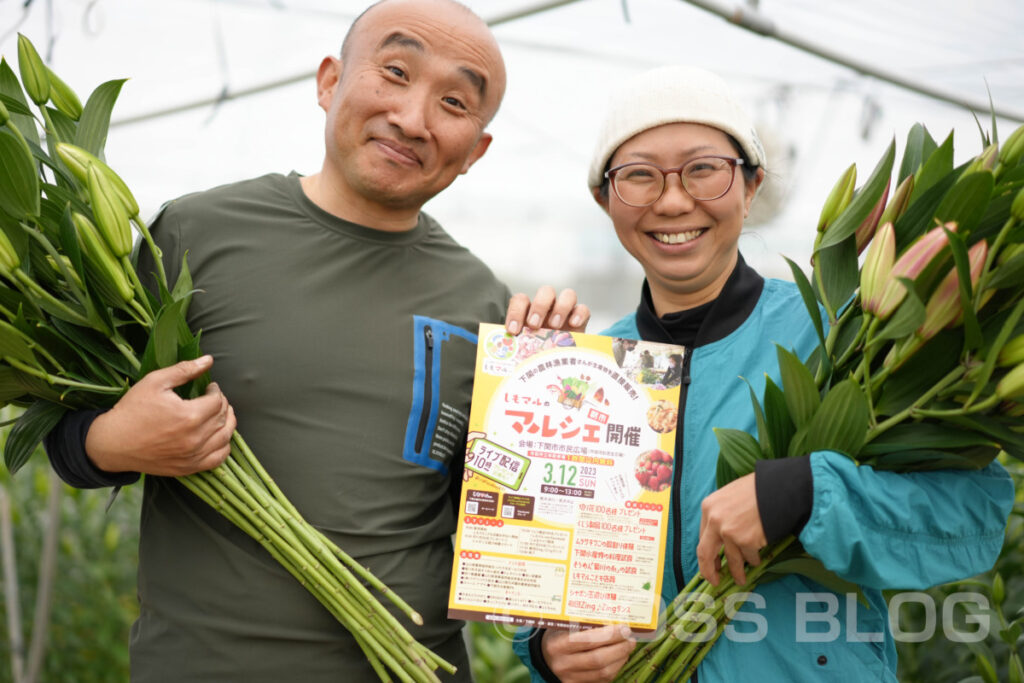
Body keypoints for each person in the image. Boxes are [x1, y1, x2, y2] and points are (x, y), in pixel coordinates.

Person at [42, 1, 589, 681]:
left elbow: (504, 529)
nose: (413, 118)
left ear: (475, 150)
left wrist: (561, 404)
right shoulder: (197, 235)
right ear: (330, 81)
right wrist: (112, 442)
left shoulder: (483, 302)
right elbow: (65, 424)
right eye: (395, 71)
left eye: (453, 101)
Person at [513, 65, 1014, 682]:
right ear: (605, 199)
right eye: (639, 175)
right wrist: (546, 653)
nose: (672, 201)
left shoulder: (847, 335)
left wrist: (805, 494)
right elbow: (541, 575)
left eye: (703, 169)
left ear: (751, 188)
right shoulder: (586, 372)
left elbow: (976, 514)